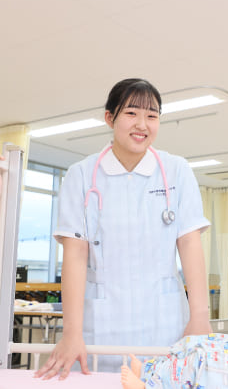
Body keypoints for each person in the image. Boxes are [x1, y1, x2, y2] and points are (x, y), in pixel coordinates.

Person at [35, 78, 211, 379]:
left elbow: (190, 244)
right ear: (109, 117)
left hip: (165, 320)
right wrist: (71, 332)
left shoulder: (176, 170)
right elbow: (75, 256)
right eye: (131, 113)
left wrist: (200, 317)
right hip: (102, 323)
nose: (142, 124)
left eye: (152, 116)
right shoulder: (81, 175)